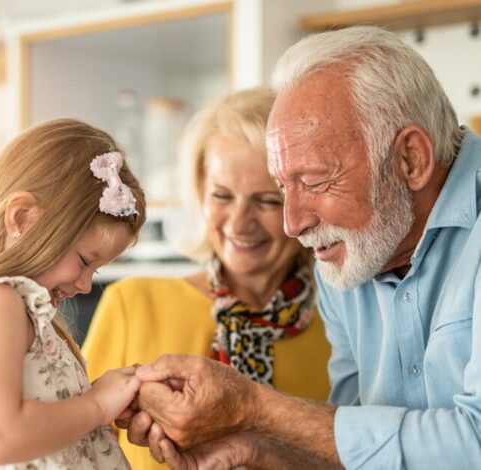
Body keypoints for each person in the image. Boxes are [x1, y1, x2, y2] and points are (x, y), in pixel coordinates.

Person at [122, 25, 481, 469]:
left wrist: (254, 408)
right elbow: (358, 454)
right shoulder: (346, 261)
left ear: (411, 159)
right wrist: (255, 450)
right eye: (283, 188)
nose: (293, 224)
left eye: (314, 181)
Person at [82, 87, 331, 470]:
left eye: (266, 200)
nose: (239, 222)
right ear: (200, 193)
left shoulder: (341, 326)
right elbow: (71, 453)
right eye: (222, 196)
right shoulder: (132, 304)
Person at [0, 118, 147, 469]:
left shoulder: (16, 308)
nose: (86, 285)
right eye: (84, 260)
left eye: (96, 270)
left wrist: (95, 401)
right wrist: (97, 406)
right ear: (22, 219)